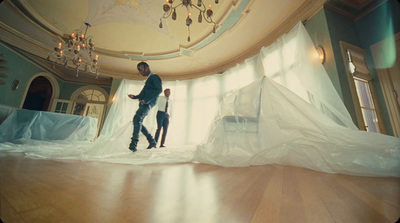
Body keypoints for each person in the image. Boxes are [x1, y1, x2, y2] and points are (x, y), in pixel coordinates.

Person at [127, 62, 162, 152]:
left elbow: (159, 90)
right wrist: (134, 97)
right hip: (144, 102)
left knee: (137, 119)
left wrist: (147, 100)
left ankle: (133, 145)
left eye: (141, 70)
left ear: (146, 68)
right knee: (138, 121)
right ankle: (152, 141)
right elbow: (143, 93)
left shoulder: (154, 77)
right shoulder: (149, 79)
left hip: (148, 103)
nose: (140, 72)